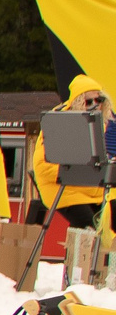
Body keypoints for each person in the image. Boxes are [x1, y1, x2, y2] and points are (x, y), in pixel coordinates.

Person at [30, 76, 116, 287]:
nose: (95, 105)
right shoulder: (59, 122)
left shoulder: (98, 125)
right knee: (87, 224)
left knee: (110, 220)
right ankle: (79, 276)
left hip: (90, 187)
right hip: (63, 187)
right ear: (77, 102)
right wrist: (73, 168)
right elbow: (41, 165)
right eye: (89, 101)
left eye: (99, 100)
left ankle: (105, 276)